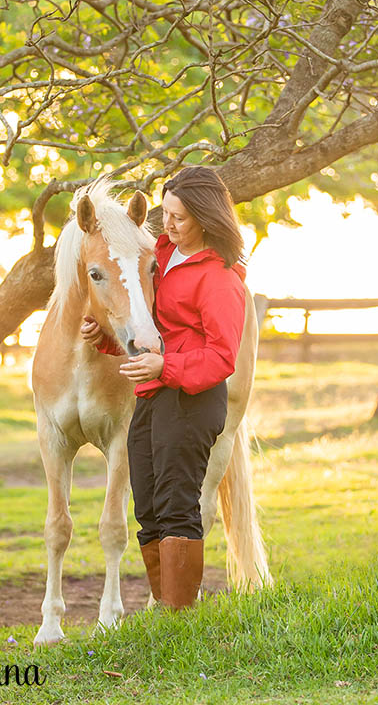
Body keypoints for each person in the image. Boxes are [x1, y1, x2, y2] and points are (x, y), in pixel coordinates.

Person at [80, 166, 247, 610]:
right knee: (148, 508)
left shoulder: (220, 278)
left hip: (191, 398)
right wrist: (105, 340)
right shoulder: (161, 258)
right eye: (166, 213)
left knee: (176, 505)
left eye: (179, 218)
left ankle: (178, 617)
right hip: (154, 392)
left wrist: (164, 367)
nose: (167, 225)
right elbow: (150, 331)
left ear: (207, 218)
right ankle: (169, 610)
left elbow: (221, 357)